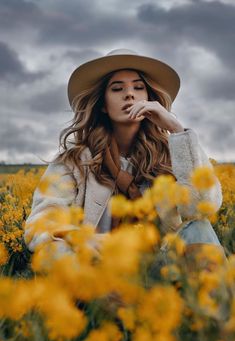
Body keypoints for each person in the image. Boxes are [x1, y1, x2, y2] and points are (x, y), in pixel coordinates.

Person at [24, 48, 226, 266]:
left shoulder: (173, 151)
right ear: (102, 104)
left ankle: (214, 300)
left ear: (150, 99)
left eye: (139, 88)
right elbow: (42, 223)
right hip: (100, 267)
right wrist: (82, 239)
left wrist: (177, 130)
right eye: (117, 88)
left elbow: (202, 207)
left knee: (200, 227)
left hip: (163, 269)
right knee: (54, 249)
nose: (129, 94)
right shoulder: (73, 160)